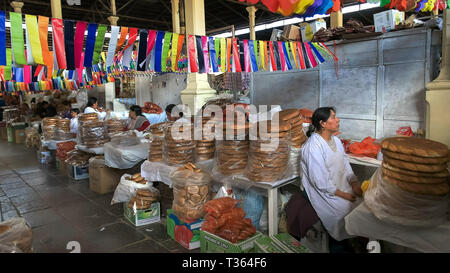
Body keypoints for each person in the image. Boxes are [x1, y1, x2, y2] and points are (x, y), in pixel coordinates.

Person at [300, 107, 362, 244]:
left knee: (363, 205)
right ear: (323, 123)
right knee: (344, 212)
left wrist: (354, 183)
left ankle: (355, 243)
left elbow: (345, 165)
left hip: (342, 186)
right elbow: (319, 181)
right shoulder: (313, 147)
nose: (337, 119)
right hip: (325, 192)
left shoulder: (337, 141)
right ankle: (340, 245)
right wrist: (345, 195)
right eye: (333, 117)